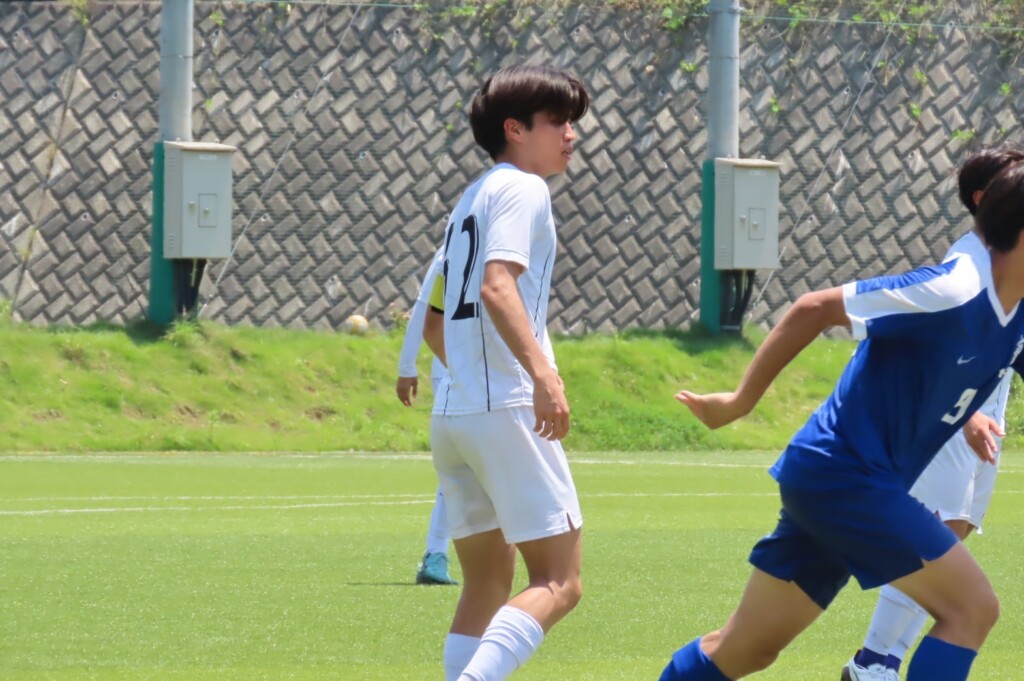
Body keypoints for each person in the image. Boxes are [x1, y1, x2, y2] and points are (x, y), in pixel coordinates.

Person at [663, 156, 1024, 681]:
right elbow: (814, 307)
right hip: (845, 475)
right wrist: (739, 402)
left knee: (744, 649)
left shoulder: (1015, 307)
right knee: (972, 609)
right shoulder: (954, 289)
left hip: (838, 482)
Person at [428, 64, 589, 681]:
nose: (571, 134)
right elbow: (498, 286)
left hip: (455, 414)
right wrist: (542, 376)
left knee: (487, 583)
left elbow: (435, 319)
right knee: (560, 581)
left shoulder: (472, 198)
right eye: (557, 121)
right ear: (515, 129)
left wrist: (474, 383)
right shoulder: (524, 189)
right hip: (506, 408)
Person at [841, 143, 1024, 681]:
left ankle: (879, 660)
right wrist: (964, 414)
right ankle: (874, 660)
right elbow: (928, 348)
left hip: (986, 411)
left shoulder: (1006, 261)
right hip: (956, 417)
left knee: (954, 533)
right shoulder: (965, 266)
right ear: (985, 198)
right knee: (940, 535)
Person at [395, 247, 457, 586]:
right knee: (461, 463)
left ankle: (440, 554)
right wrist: (406, 365)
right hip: (452, 368)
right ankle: (436, 553)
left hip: (495, 372)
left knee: (473, 466)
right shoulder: (453, 246)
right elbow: (425, 307)